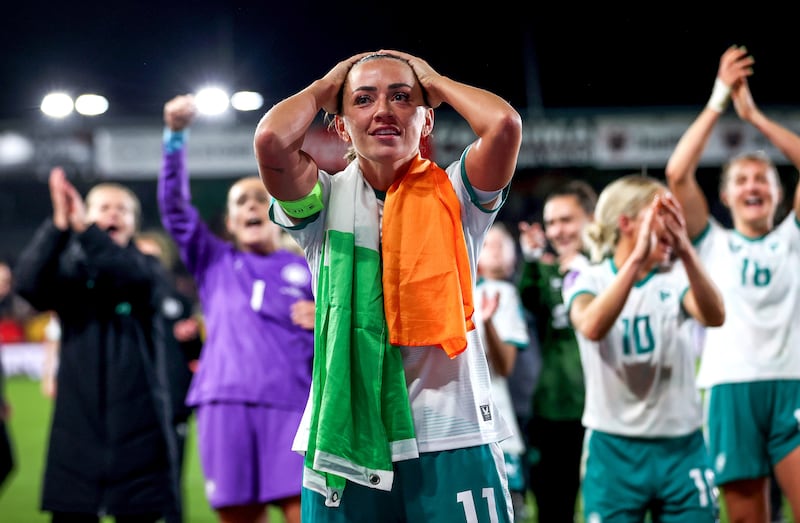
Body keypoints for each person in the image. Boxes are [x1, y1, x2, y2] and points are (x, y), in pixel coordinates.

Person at [254, 49, 523, 523]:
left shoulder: (458, 194)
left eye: (402, 97)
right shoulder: (322, 202)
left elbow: (503, 125)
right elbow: (272, 140)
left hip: (452, 434)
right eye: (363, 100)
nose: (383, 110)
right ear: (341, 127)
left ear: (427, 120)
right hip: (346, 440)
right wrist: (327, 86)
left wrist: (435, 80)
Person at [159, 94, 316, 523]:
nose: (250, 205)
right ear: (229, 224)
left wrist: (325, 317)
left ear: (279, 211)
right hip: (225, 401)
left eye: (259, 198)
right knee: (239, 515)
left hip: (293, 402)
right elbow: (175, 209)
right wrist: (174, 137)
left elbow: (351, 323)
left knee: (303, 512)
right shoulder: (214, 262)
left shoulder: (310, 265)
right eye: (240, 202)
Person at [664, 45, 800, 522]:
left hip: (792, 385)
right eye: (741, 179)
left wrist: (754, 117)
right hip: (729, 388)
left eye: (762, 178)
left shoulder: (793, 236)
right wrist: (719, 98)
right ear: (724, 195)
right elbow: (677, 172)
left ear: (779, 193)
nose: (752, 186)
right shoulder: (710, 242)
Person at [14, 167, 182, 522]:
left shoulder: (147, 266)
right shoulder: (70, 272)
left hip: (139, 432)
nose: (113, 214)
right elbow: (28, 284)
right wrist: (58, 225)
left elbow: (131, 276)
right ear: (85, 215)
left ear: (134, 224)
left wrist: (86, 231)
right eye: (103, 207)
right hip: (77, 434)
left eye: (122, 209)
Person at [563, 174, 725, 522]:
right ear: (626, 223)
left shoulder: (676, 276)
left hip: (681, 445)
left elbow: (715, 316)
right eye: (662, 214)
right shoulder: (586, 277)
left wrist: (686, 249)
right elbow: (591, 326)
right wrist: (636, 259)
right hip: (614, 448)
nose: (674, 223)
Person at [516, 179, 596, 522]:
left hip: (604, 406)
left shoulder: (611, 270)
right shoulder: (546, 272)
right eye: (551, 223)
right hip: (554, 408)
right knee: (553, 509)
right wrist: (533, 261)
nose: (557, 230)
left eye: (566, 220)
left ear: (591, 220)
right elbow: (529, 301)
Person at [135, 229, 203, 523]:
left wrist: (192, 339)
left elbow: (195, 357)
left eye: (153, 257)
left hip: (174, 403)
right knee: (136, 478)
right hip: (135, 403)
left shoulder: (179, 301)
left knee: (172, 474)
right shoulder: (121, 301)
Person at [475, 223, 531, 522]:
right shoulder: (463, 288)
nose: (495, 250)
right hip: (465, 425)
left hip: (497, 422)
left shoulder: (505, 294)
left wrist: (488, 323)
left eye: (501, 245)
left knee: (507, 509)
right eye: (488, 243)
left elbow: (505, 366)